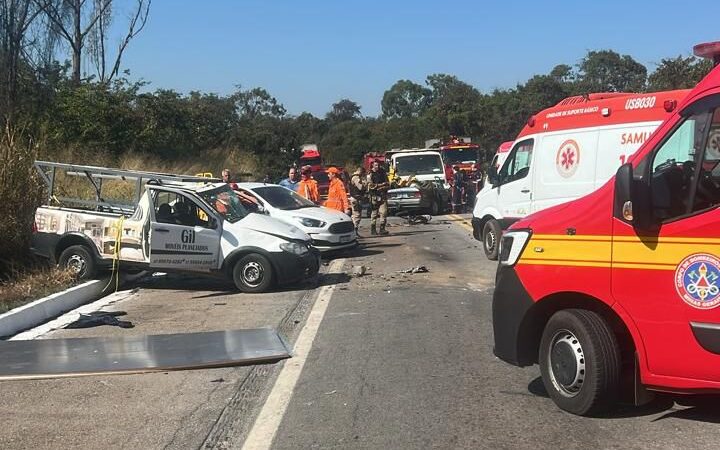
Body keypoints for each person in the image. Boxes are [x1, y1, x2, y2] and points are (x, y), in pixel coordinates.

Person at [367, 160, 389, 235]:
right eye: (376, 165)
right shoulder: (370, 174)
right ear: (373, 165)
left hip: (383, 195)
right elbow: (371, 186)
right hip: (374, 196)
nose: (377, 167)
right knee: (374, 213)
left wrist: (384, 186)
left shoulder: (383, 172)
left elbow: (387, 183)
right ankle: (373, 229)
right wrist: (380, 185)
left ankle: (382, 229)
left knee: (384, 212)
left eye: (378, 165)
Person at [349, 166, 367, 233]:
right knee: (357, 215)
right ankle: (354, 231)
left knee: (355, 215)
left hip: (355, 197)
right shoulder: (356, 177)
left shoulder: (353, 176)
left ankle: (354, 230)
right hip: (356, 198)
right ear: (361, 171)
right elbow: (360, 187)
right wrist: (365, 183)